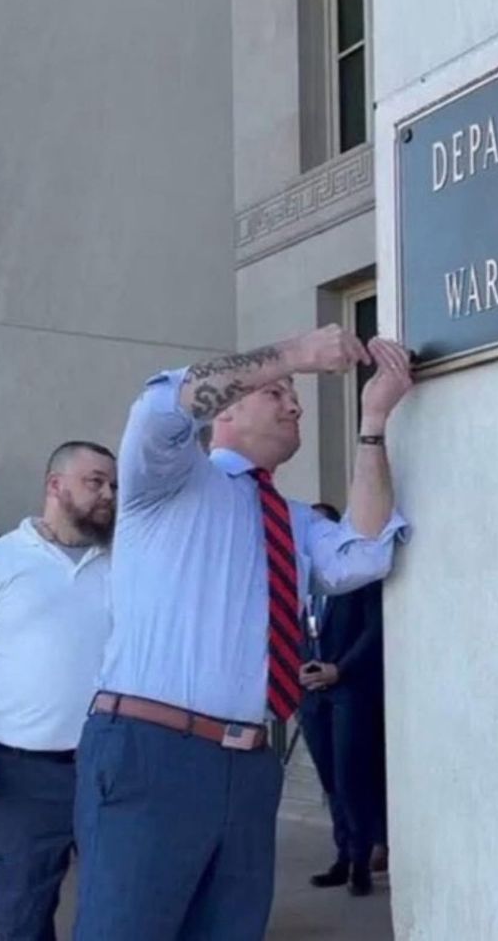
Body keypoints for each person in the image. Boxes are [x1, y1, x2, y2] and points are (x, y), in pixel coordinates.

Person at [73, 324, 413, 941]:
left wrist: (372, 423)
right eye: (276, 393)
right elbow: (161, 406)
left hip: (250, 763)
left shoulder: (291, 519)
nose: (295, 405)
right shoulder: (169, 479)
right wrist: (295, 354)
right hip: (154, 749)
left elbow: (365, 554)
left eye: (295, 396)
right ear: (225, 410)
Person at [0, 441, 116, 941]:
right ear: (55, 486)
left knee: (116, 903)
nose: (108, 494)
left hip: (110, 767)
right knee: (22, 910)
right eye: (95, 482)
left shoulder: (121, 565)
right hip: (20, 775)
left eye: (113, 485)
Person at [299, 501, 388, 897]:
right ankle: (342, 857)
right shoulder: (300, 580)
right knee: (330, 780)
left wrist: (340, 669)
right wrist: (297, 668)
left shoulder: (356, 578)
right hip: (311, 695)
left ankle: (362, 862)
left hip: (349, 690)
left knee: (352, 778)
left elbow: (374, 630)